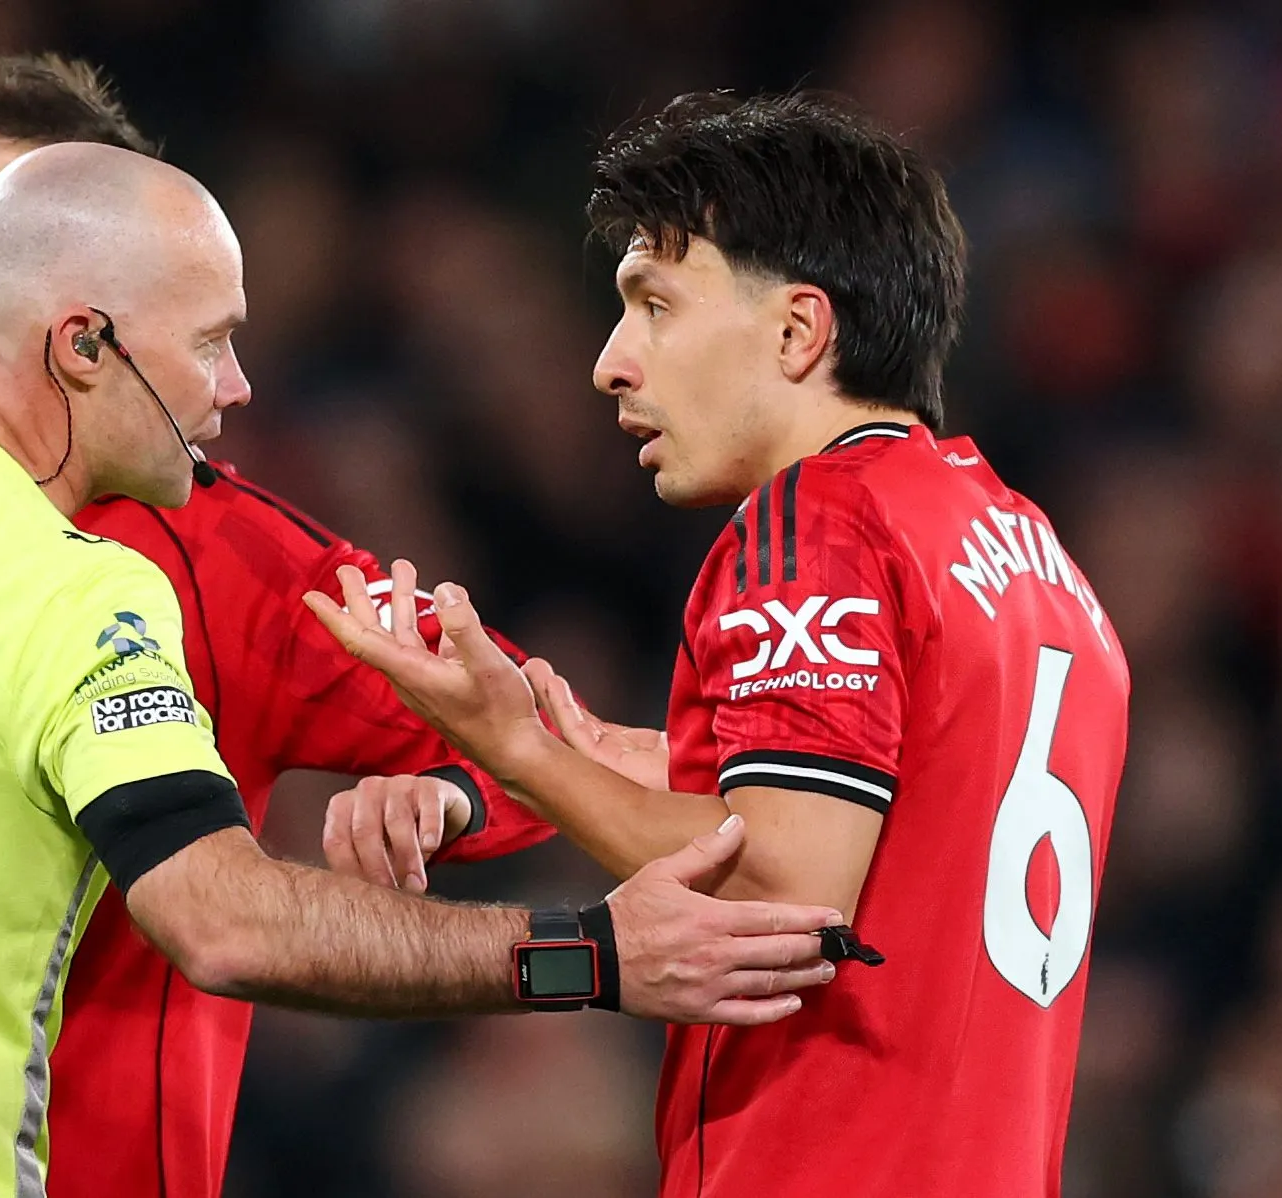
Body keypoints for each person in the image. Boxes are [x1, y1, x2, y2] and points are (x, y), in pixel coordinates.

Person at [0, 87, 845, 1198]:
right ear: (82, 345)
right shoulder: (77, 595)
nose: (237, 387)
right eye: (209, 343)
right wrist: (591, 954)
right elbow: (222, 916)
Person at [313, 91, 1131, 1197]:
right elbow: (824, 795)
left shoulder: (815, 525)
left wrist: (524, 752)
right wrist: (523, 764)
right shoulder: (1030, 555)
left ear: (798, 331)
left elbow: (780, 893)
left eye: (655, 305)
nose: (611, 361)